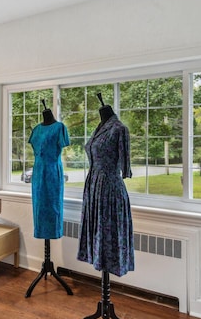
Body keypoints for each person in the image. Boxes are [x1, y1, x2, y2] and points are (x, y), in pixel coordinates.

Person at [77, 96, 134, 277]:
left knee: (108, 234)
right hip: (93, 186)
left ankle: (108, 273)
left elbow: (125, 167)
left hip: (109, 188)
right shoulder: (99, 128)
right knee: (96, 232)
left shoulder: (119, 129)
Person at [28, 104, 69, 239]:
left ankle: (53, 233)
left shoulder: (59, 128)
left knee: (53, 207)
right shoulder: (36, 130)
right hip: (38, 173)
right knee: (38, 208)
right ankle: (40, 232)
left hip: (52, 172)